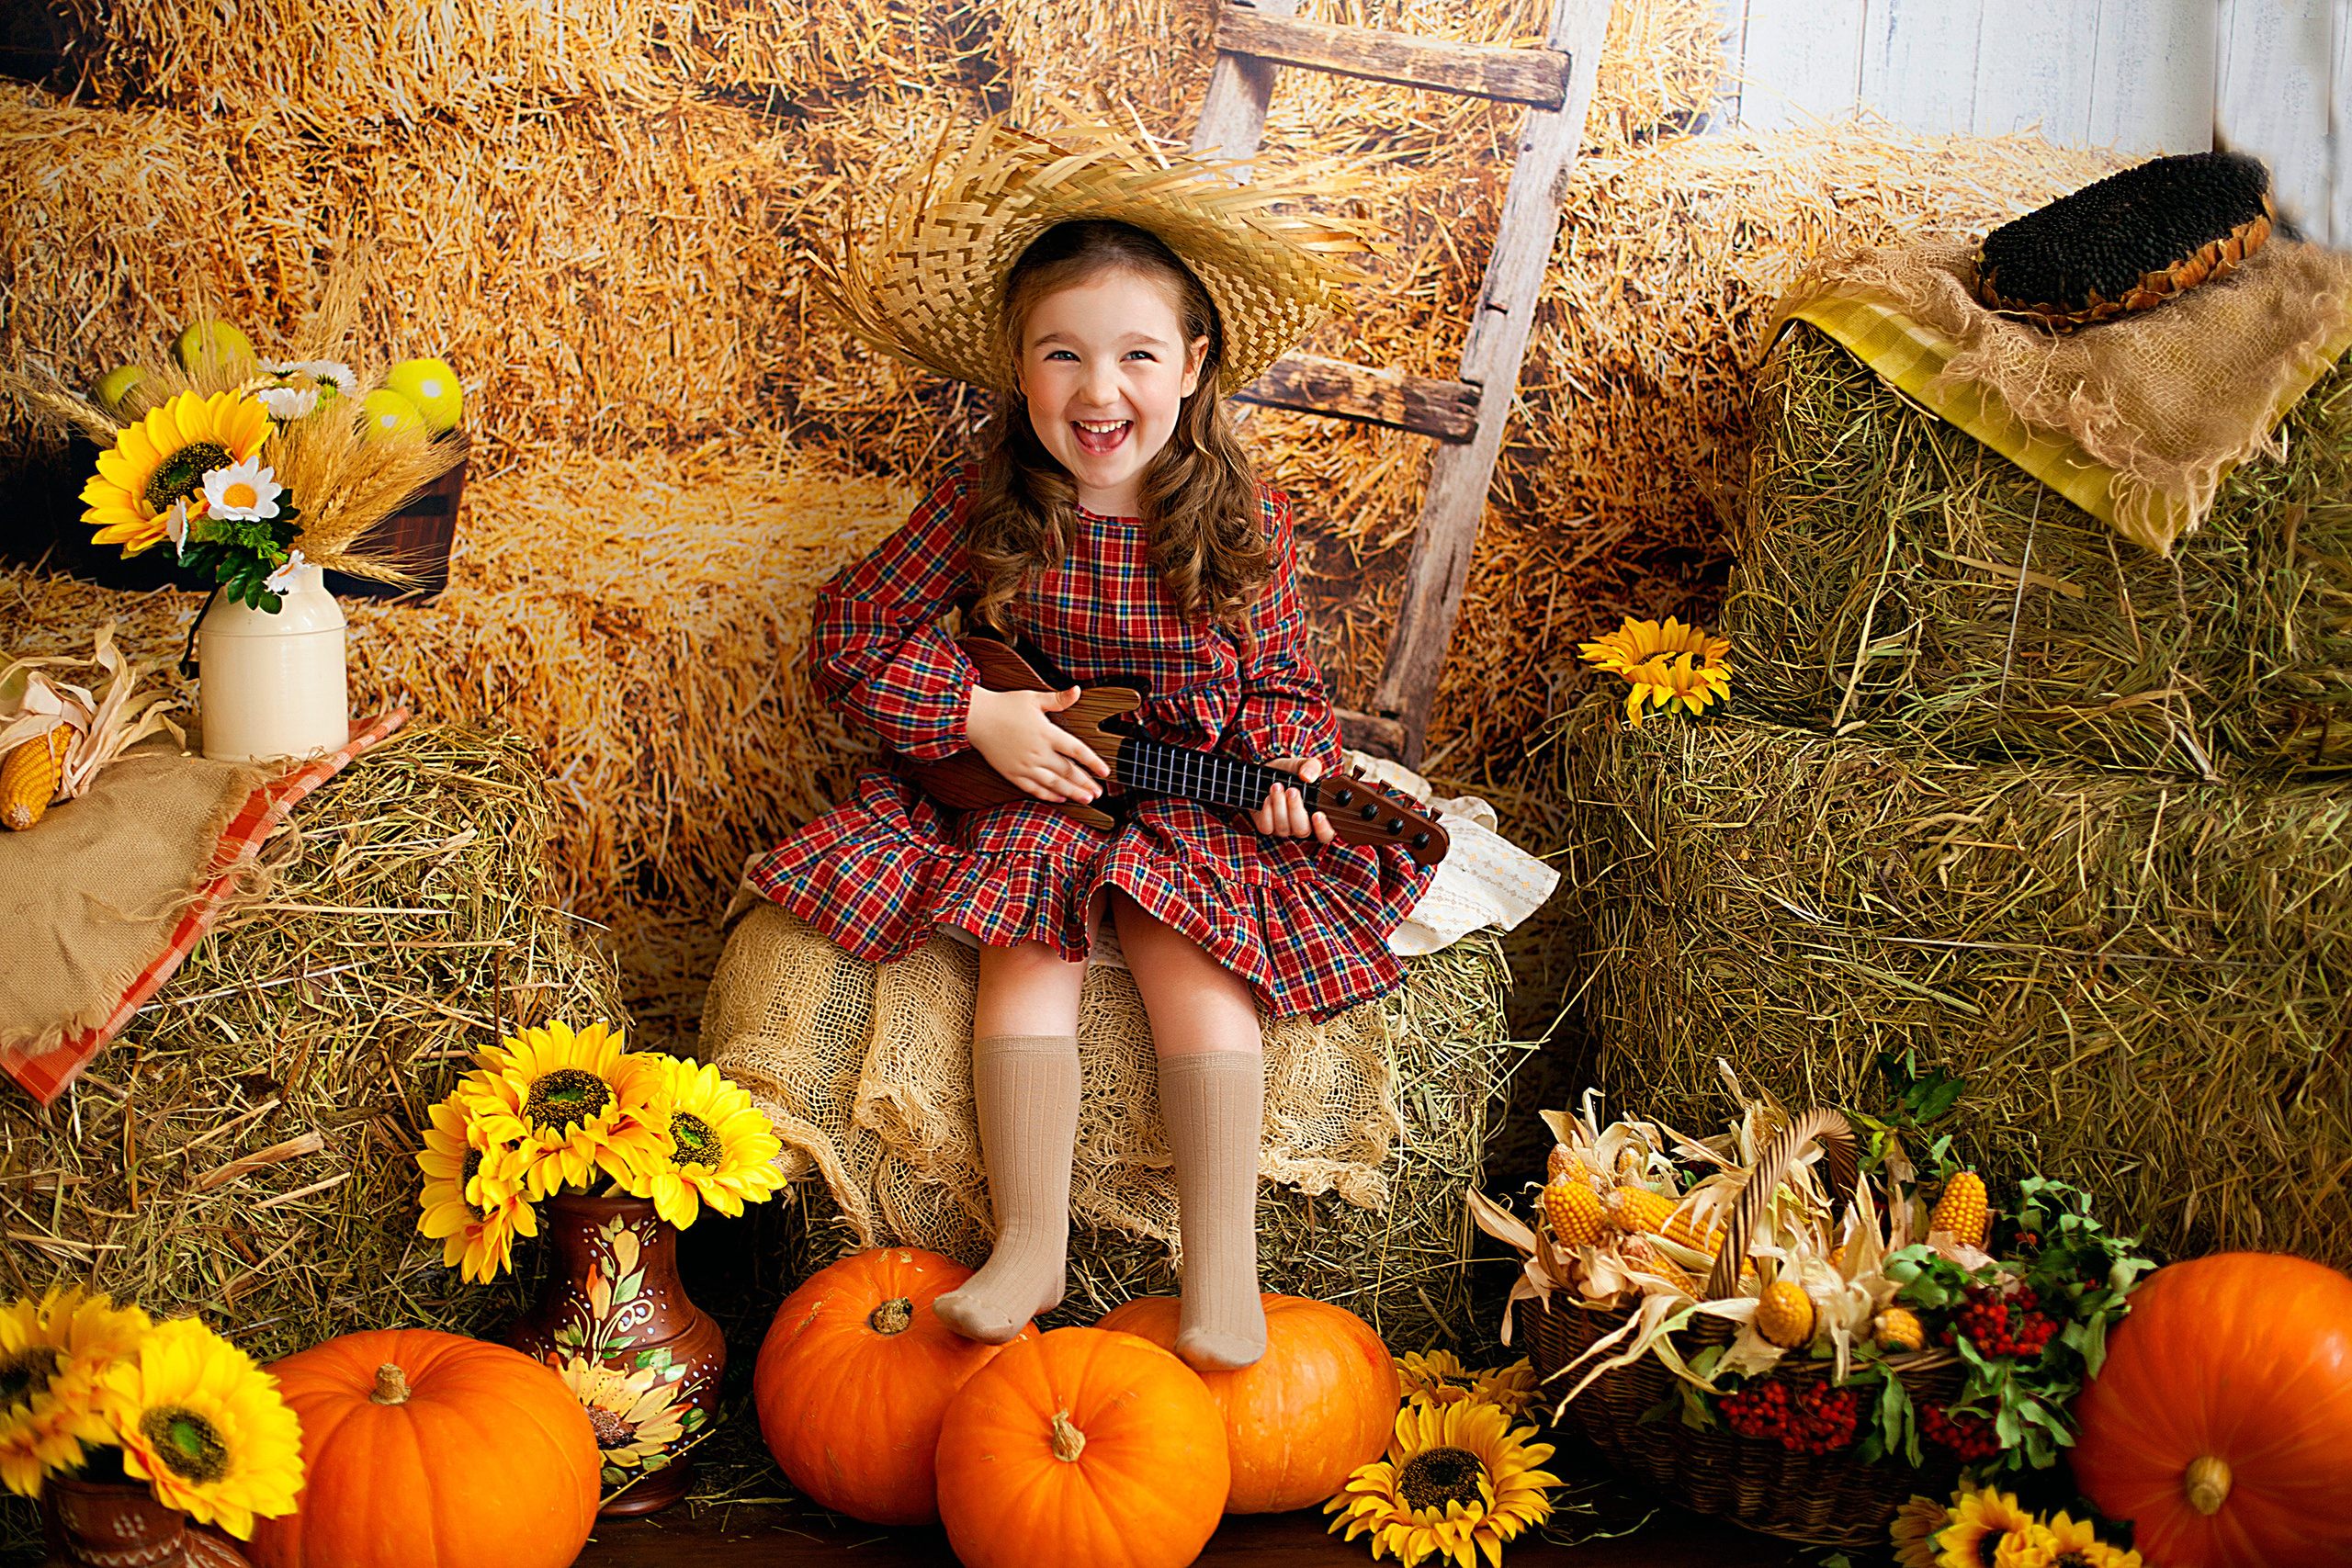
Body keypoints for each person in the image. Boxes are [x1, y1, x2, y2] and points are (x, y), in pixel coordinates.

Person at [745, 121, 1433, 1371]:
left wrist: (1283, 782)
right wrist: (977, 715)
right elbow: (851, 631)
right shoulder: (988, 502)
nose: (1097, 391)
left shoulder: (1240, 520)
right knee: (1026, 948)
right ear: (1019, 368)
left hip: (1183, 795)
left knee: (1194, 959)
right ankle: (1030, 1245)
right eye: (1062, 355)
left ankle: (1222, 1272)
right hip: (1042, 774)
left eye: (1134, 355)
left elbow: (1279, 685)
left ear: (1194, 363)